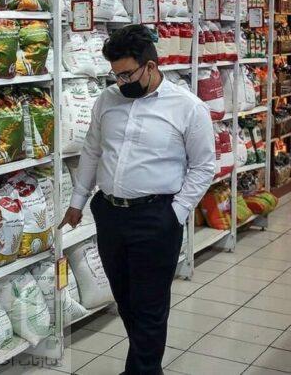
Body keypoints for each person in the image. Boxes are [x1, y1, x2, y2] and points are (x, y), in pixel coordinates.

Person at [60, 25, 216, 375]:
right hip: (110, 214)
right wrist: (77, 201)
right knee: (126, 299)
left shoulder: (187, 107)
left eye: (127, 74)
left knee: (149, 305)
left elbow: (204, 166)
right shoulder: (107, 100)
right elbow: (91, 151)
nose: (121, 82)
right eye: (116, 75)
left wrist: (176, 213)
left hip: (156, 217)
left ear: (151, 66)